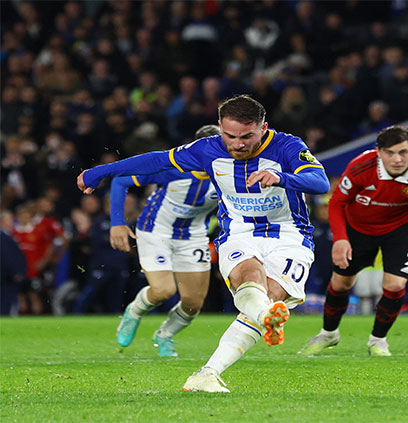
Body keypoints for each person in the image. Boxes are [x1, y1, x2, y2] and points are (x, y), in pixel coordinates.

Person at [77, 95, 329, 392]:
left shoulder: (288, 146)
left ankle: (207, 373)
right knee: (249, 280)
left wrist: (281, 177)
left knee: (268, 296)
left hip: (290, 235)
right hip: (239, 232)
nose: (238, 144)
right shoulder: (206, 150)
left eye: (247, 136)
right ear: (220, 127)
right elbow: (156, 160)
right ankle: (264, 317)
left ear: (263, 128)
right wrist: (102, 171)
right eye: (230, 136)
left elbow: (320, 182)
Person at [298, 125, 408, 357]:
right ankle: (328, 334)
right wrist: (341, 239)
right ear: (379, 151)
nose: (397, 159)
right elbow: (337, 202)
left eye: (403, 152)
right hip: (359, 228)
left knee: (395, 285)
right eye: (390, 153)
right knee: (342, 283)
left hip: (403, 229)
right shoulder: (361, 166)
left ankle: (378, 341)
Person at [110, 125, 220, 357]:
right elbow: (121, 181)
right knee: (163, 290)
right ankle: (134, 312)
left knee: (193, 304)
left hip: (193, 236)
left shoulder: (230, 174)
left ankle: (165, 335)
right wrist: (117, 223)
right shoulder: (172, 166)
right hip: (156, 230)